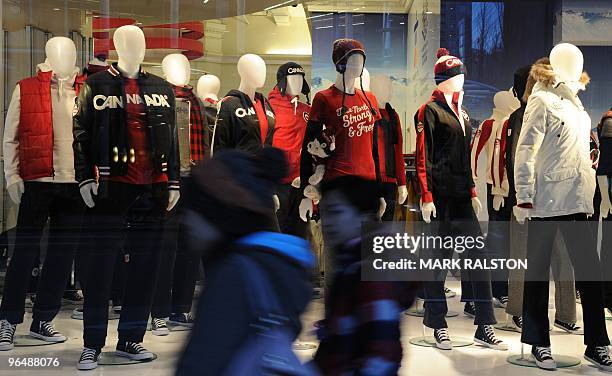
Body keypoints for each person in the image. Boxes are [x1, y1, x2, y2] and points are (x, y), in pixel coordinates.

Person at [176, 147, 314, 375]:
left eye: (195, 210)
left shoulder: (232, 276)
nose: (188, 221)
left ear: (218, 213)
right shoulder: (280, 267)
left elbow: (202, 360)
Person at [312, 176, 418, 375]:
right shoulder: (349, 264)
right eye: (324, 213)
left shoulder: (369, 273)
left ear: (363, 217)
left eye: (336, 212)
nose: (327, 222)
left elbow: (382, 354)